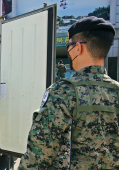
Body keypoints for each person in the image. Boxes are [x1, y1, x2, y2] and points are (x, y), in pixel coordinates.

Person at [18, 16, 119, 169]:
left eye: (69, 45)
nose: (69, 51)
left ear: (79, 47)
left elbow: (39, 154)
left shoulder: (63, 91)